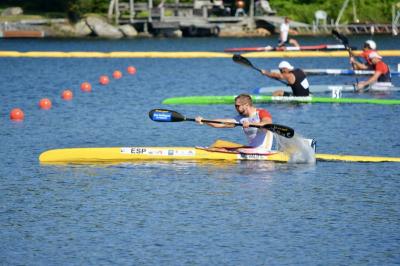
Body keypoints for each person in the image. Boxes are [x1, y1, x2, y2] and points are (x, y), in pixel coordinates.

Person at [195, 94, 274, 153]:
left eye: (237, 106)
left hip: (263, 151)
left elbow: (267, 124)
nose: (235, 108)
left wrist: (250, 123)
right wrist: (204, 120)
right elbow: (221, 123)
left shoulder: (261, 113)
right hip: (251, 148)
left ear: (246, 105)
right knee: (217, 147)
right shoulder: (241, 118)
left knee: (220, 150)